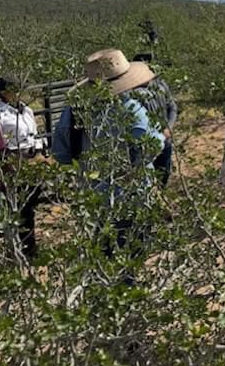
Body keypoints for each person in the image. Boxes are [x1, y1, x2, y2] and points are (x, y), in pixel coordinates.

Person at [52, 49, 165, 274]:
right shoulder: (129, 107)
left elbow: (61, 154)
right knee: (128, 263)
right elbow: (155, 144)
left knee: (102, 262)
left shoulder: (73, 111)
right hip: (131, 199)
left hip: (91, 199)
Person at [0, 75, 41, 258]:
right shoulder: (0, 114)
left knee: (29, 205)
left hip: (32, 158)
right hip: (13, 160)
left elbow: (34, 134)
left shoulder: (26, 110)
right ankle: (19, 248)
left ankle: (29, 245)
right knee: (17, 206)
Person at [131, 54, 178, 187]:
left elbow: (172, 106)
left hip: (165, 138)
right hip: (146, 142)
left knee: (164, 171)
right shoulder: (131, 93)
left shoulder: (161, 85)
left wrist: (169, 127)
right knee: (146, 174)